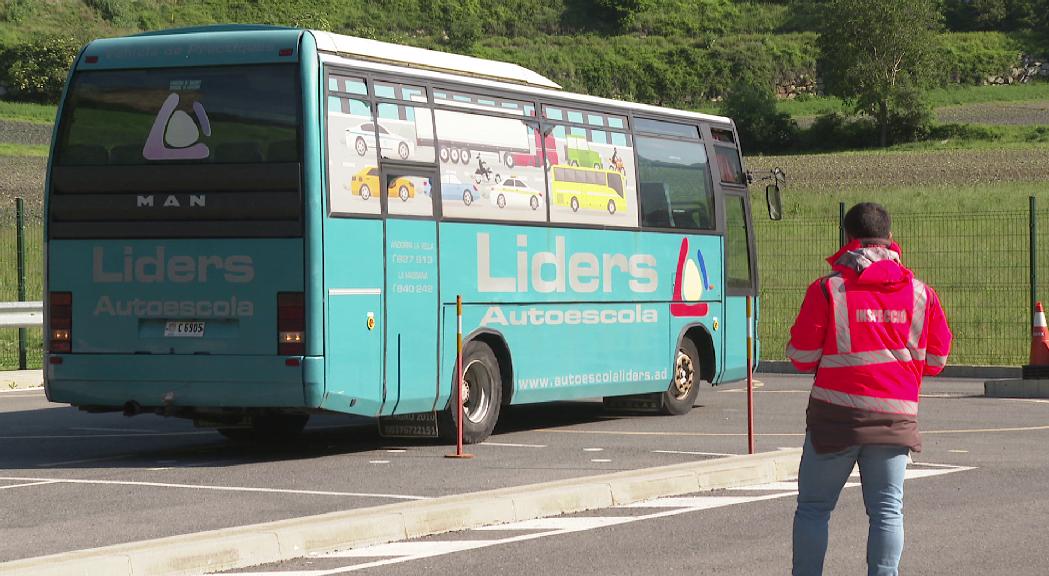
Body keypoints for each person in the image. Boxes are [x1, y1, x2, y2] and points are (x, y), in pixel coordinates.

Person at [787, 202, 952, 576]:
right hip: (894, 420)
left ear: (849, 240)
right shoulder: (922, 294)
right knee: (887, 511)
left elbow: (801, 356)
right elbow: (938, 360)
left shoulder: (829, 290)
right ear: (891, 239)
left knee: (814, 509)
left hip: (835, 421)